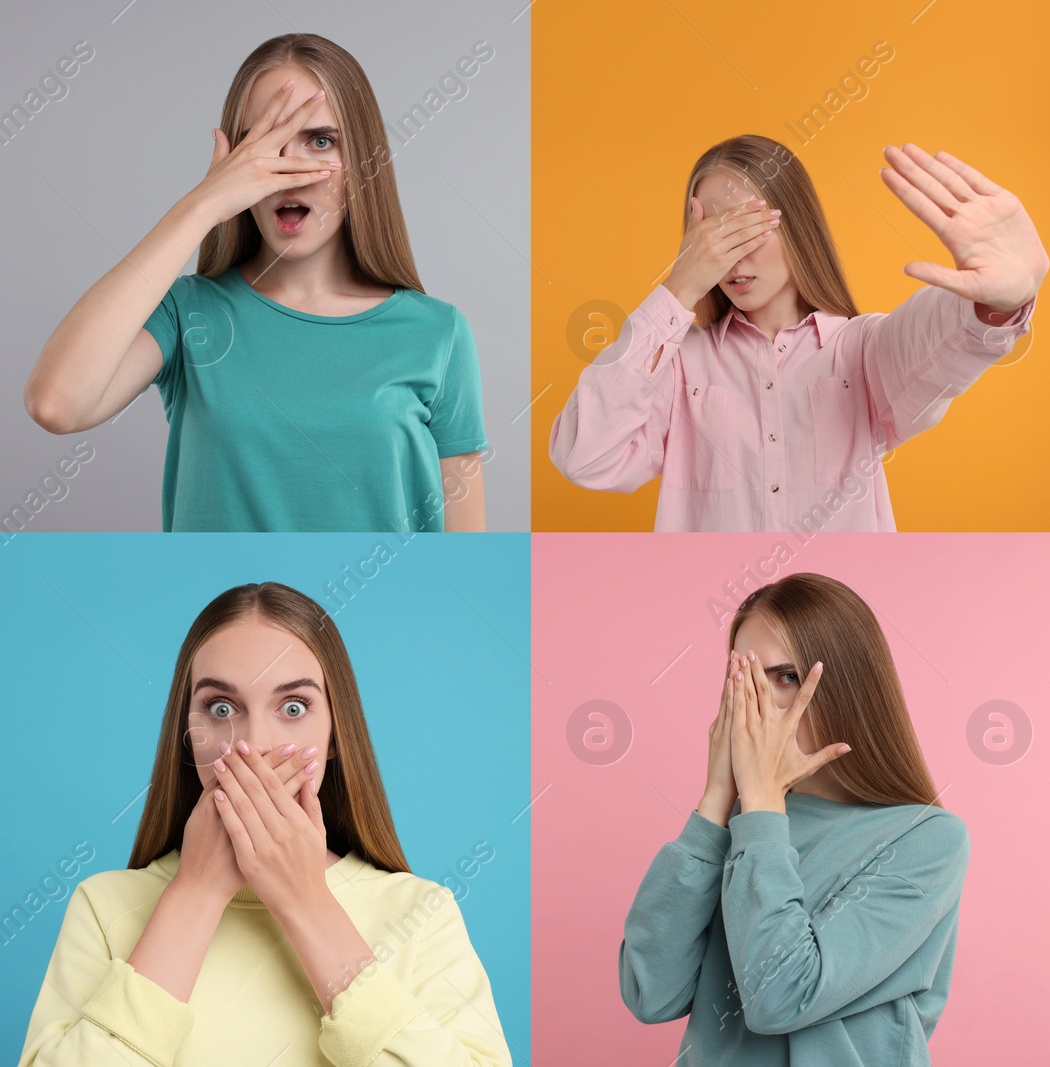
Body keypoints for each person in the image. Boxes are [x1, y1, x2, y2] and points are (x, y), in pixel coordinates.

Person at [19, 582, 512, 1066]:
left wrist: (305, 900)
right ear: (188, 736)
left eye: (293, 708)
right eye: (221, 708)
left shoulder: (422, 914)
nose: (254, 745)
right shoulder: (103, 908)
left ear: (336, 735)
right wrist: (195, 894)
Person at [23, 34, 488, 533]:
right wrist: (201, 206)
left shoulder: (437, 332)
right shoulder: (188, 314)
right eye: (261, 144)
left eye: (320, 140)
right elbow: (56, 404)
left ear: (361, 161)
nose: (288, 171)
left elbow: (463, 552)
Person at [549, 134, 1048, 532]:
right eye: (709, 236)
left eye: (745, 228)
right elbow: (584, 456)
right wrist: (677, 288)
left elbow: (932, 342)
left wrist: (992, 302)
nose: (728, 255)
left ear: (796, 224)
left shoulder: (861, 350)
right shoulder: (676, 364)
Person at [618, 573, 970, 1063]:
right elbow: (650, 994)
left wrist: (760, 802)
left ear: (849, 687)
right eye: (742, 678)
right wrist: (718, 798)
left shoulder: (926, 838)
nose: (756, 706)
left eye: (785, 677)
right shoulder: (742, 825)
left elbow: (781, 997)